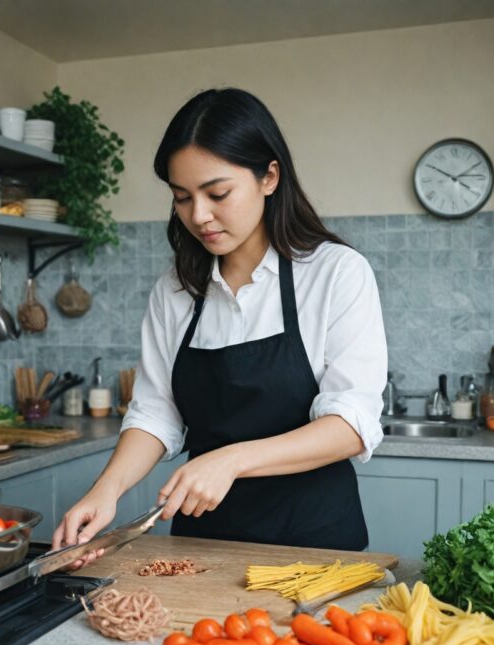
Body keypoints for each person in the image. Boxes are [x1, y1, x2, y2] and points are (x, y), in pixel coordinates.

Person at [52, 88, 387, 564]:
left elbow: (351, 425)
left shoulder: (335, 273)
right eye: (182, 198)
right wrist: (105, 492)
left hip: (314, 546)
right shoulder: (173, 291)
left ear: (269, 176)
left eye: (218, 193)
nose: (199, 216)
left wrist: (229, 460)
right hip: (201, 547)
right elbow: (156, 414)